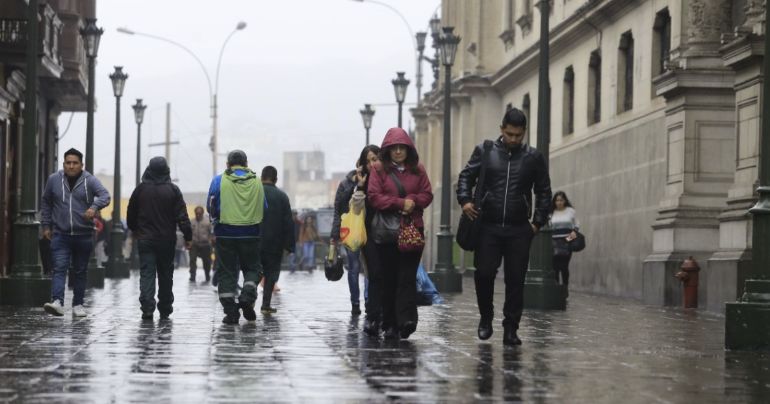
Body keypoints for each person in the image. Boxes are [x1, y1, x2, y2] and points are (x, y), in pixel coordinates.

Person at [456, 107, 552, 346]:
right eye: (509, 134)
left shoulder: (533, 157)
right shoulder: (485, 151)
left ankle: (511, 327)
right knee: (484, 273)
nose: (513, 139)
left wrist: (537, 223)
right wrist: (465, 201)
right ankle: (486, 318)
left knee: (516, 279)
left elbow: (544, 191)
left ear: (524, 132)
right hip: (487, 225)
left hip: (519, 228)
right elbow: (466, 176)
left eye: (518, 135)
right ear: (502, 129)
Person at [368, 128, 433, 340]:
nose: (397, 152)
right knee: (389, 279)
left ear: (408, 149)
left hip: (412, 230)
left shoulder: (418, 170)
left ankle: (407, 320)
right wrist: (399, 203)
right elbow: (374, 197)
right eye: (393, 148)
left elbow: (427, 194)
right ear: (387, 150)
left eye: (401, 148)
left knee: (407, 277)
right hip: (387, 234)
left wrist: (412, 202)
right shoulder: (378, 170)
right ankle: (389, 322)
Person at [41, 148, 111, 317]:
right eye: (68, 163)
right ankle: (57, 301)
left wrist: (94, 208)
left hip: (83, 234)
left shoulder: (90, 181)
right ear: (63, 164)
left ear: (81, 165)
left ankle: (78, 304)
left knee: (80, 271)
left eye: (75, 163)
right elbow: (46, 202)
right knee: (59, 268)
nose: (71, 166)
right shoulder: (54, 180)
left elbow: (105, 196)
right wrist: (46, 225)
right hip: (60, 233)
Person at [127, 157, 192, 320]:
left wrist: (134, 229)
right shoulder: (173, 190)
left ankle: (147, 306)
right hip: (166, 240)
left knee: (147, 273)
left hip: (145, 239)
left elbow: (131, 213)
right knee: (165, 274)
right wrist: (188, 236)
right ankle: (165, 307)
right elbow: (182, 216)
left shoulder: (140, 190)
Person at [207, 150, 265, 324]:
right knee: (253, 269)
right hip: (251, 233)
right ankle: (247, 297)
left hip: (225, 234)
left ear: (228, 164)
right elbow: (265, 207)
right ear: (246, 163)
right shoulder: (257, 182)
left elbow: (211, 207)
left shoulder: (218, 181)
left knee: (227, 271)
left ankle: (231, 312)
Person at [330, 145, 379, 317]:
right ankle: (355, 303)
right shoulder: (346, 183)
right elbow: (339, 207)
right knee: (354, 267)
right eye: (364, 163)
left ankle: (368, 300)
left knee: (368, 268)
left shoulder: (375, 180)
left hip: (368, 229)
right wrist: (334, 236)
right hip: (351, 231)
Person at [258, 165, 294, 314]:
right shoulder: (282, 197)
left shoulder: (254, 194)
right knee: (271, 273)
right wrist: (289, 246)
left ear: (261, 178)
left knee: (254, 271)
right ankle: (266, 305)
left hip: (255, 241)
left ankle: (248, 299)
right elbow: (288, 223)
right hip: (275, 244)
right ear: (276, 179)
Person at [550, 191, 579, 291]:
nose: (559, 202)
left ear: (565, 201)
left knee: (564, 266)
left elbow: (576, 226)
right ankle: (557, 289)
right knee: (555, 268)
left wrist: (568, 240)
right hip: (554, 243)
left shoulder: (570, 211)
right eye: (557, 200)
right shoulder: (551, 212)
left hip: (567, 243)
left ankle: (565, 287)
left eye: (561, 200)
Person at [189, 206, 213, 283]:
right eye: (197, 213)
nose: (198, 215)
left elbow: (211, 233)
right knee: (192, 260)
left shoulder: (207, 222)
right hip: (194, 244)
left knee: (207, 261)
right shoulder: (192, 222)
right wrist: (187, 243)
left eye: (200, 213)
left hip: (205, 244)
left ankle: (207, 275)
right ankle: (192, 276)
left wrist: (211, 241)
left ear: (202, 213)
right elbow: (188, 233)